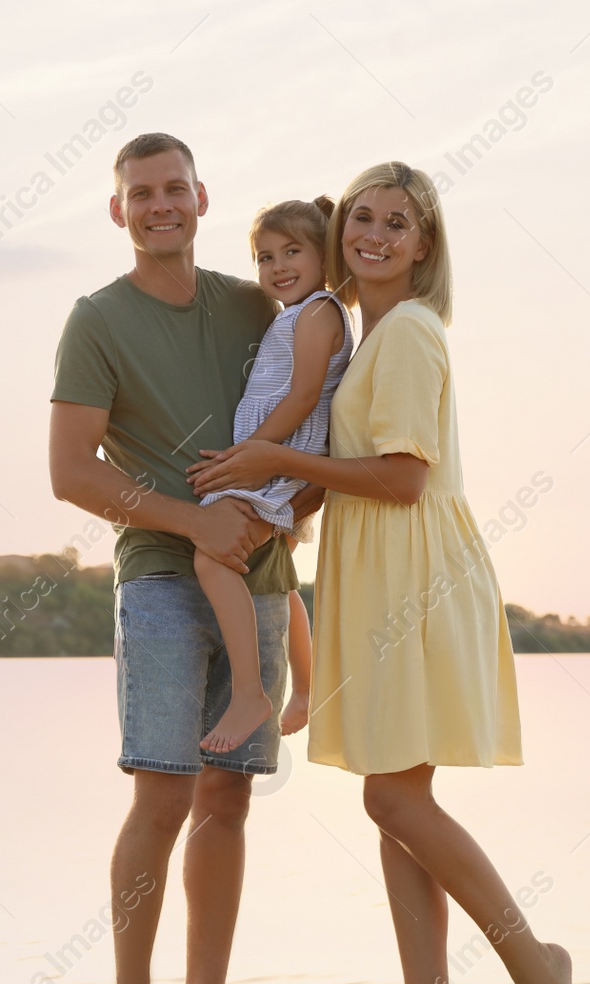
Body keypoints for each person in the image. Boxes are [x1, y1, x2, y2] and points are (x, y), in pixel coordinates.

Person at [188, 161, 586, 984]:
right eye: (360, 217)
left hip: (420, 580)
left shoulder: (407, 332)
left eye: (395, 223)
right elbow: (362, 469)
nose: (372, 234)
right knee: (399, 800)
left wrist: (264, 458)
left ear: (425, 243)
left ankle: (540, 974)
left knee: (394, 794)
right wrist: (282, 510)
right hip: (382, 575)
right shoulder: (364, 339)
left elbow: (404, 479)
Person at [48, 133, 320, 984]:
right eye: (140, 192)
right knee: (160, 796)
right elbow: (68, 471)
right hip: (162, 579)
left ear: (203, 199)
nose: (160, 204)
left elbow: (318, 397)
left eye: (175, 189)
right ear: (117, 210)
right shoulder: (96, 320)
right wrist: (190, 521)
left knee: (230, 797)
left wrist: (293, 504)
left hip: (263, 576)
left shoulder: (257, 303)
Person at [193, 199, 354, 753]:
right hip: (277, 457)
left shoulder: (317, 312)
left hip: (279, 458)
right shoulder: (299, 313)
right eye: (265, 257)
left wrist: (249, 453)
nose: (278, 266)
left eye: (293, 252)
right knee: (277, 575)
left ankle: (249, 693)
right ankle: (306, 688)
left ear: (324, 257)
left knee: (211, 557)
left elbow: (306, 394)